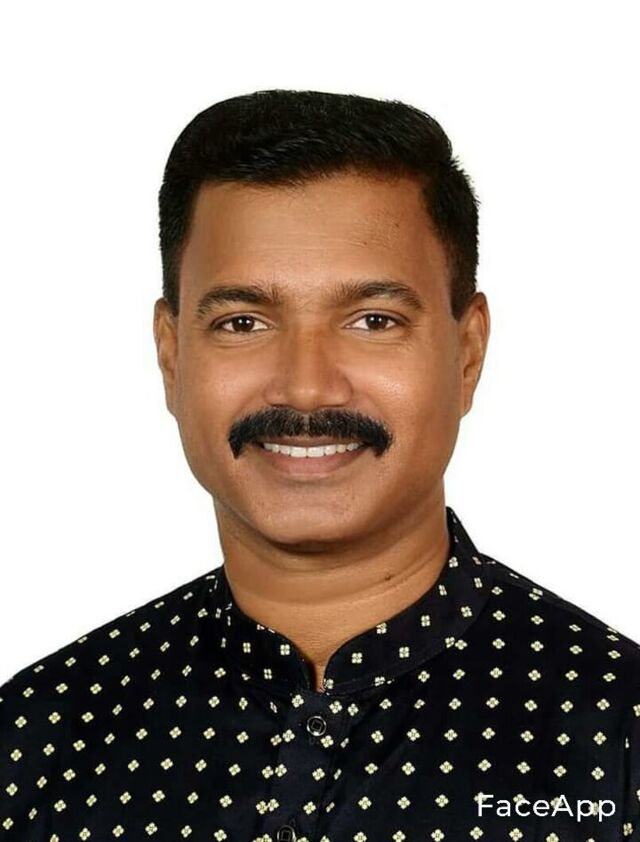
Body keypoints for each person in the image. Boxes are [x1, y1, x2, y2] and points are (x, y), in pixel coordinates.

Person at [1, 89, 639, 842]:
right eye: (243, 322)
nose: (306, 387)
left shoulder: (617, 734)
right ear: (172, 357)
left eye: (373, 320)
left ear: (467, 353)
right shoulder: (38, 738)